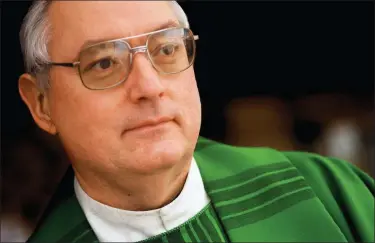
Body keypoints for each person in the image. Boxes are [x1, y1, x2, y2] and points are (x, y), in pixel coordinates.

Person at [18, 1, 373, 242]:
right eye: (104, 63)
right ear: (42, 104)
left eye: (167, 49)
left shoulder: (330, 191)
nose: (150, 87)